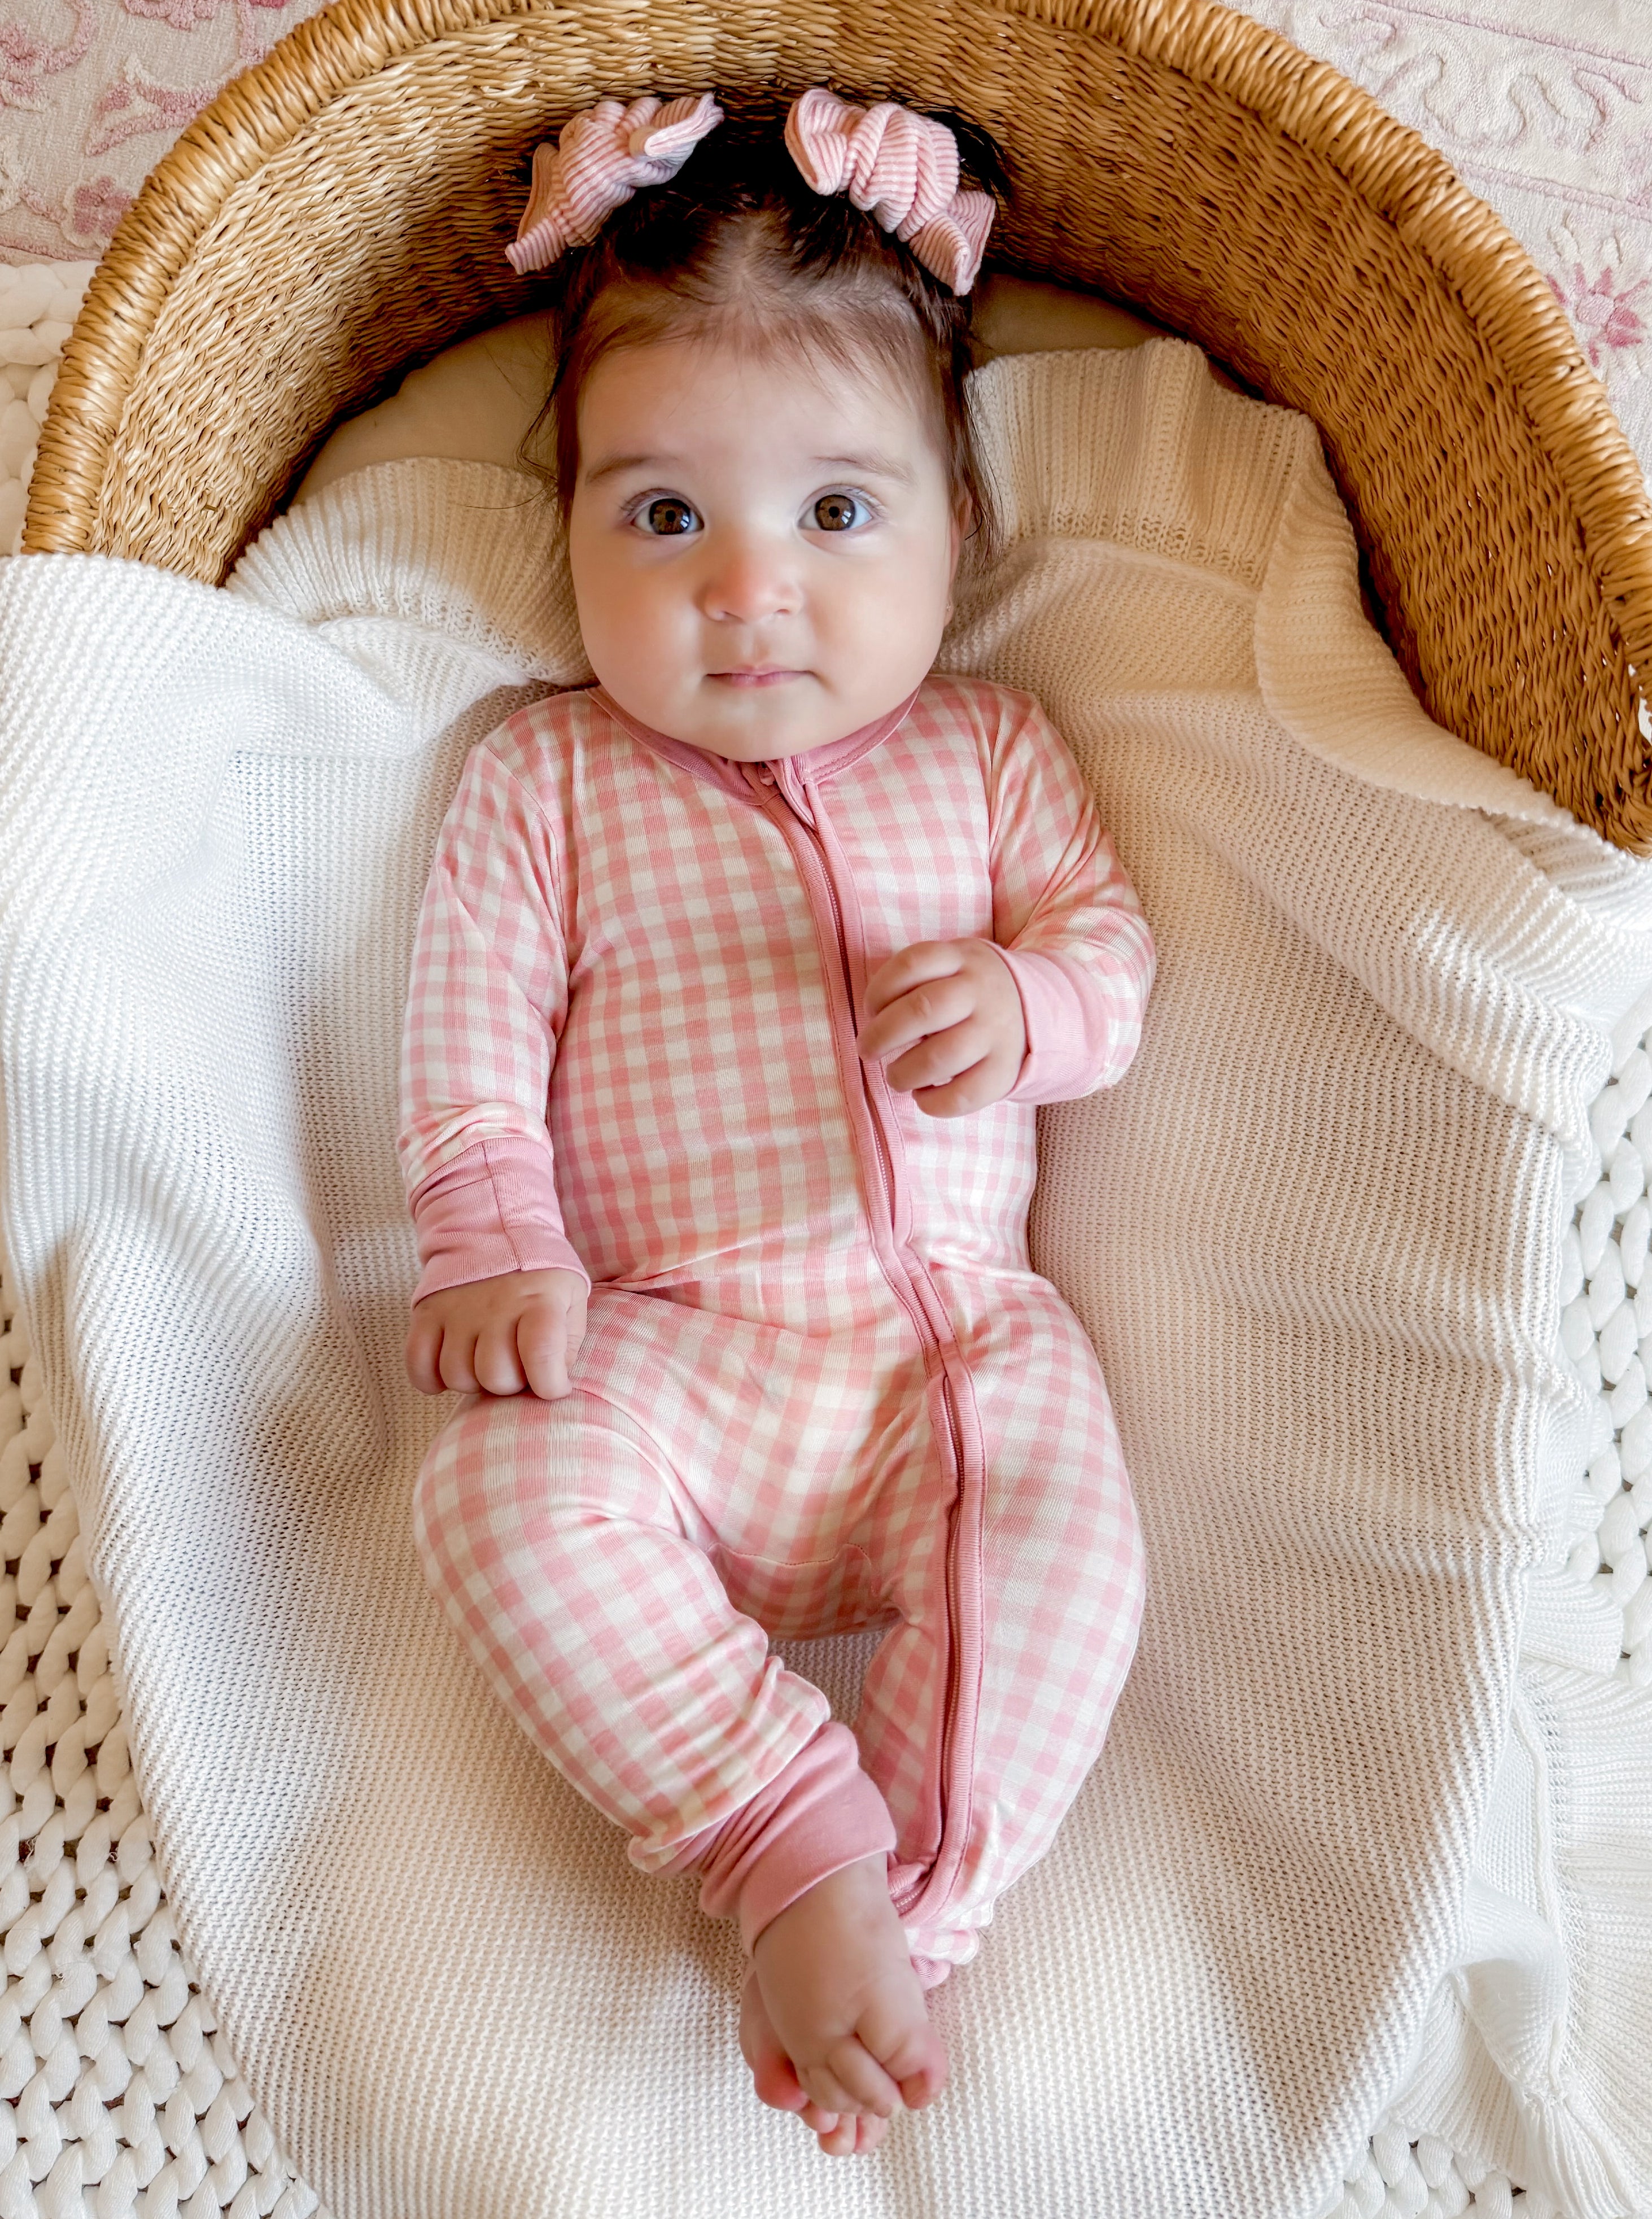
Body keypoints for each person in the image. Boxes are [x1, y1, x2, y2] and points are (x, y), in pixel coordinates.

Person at [397, 86, 1155, 2157]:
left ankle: (907, 1902)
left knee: (1070, 1548)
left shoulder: (996, 754)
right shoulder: (543, 783)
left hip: (950, 1356)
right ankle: (772, 1819)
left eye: (837, 514)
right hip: (677, 1353)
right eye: (664, 518)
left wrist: (1028, 1008)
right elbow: (468, 1032)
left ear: (957, 532)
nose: (751, 593)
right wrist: (491, 1236)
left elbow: (1112, 954)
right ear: (562, 538)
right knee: (489, 1491)